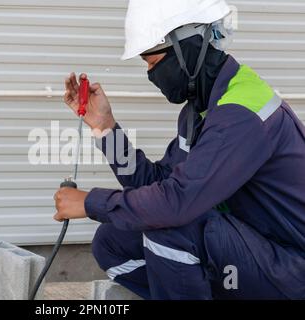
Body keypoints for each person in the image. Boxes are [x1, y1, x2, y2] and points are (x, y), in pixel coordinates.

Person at [53, 0, 305, 299]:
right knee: (113, 240)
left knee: (170, 226)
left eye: (153, 62)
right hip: (248, 249)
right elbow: (160, 184)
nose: (150, 75)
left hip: (290, 268)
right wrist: (105, 128)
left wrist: (92, 203)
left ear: (187, 46)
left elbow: (177, 203)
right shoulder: (201, 108)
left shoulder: (240, 113)